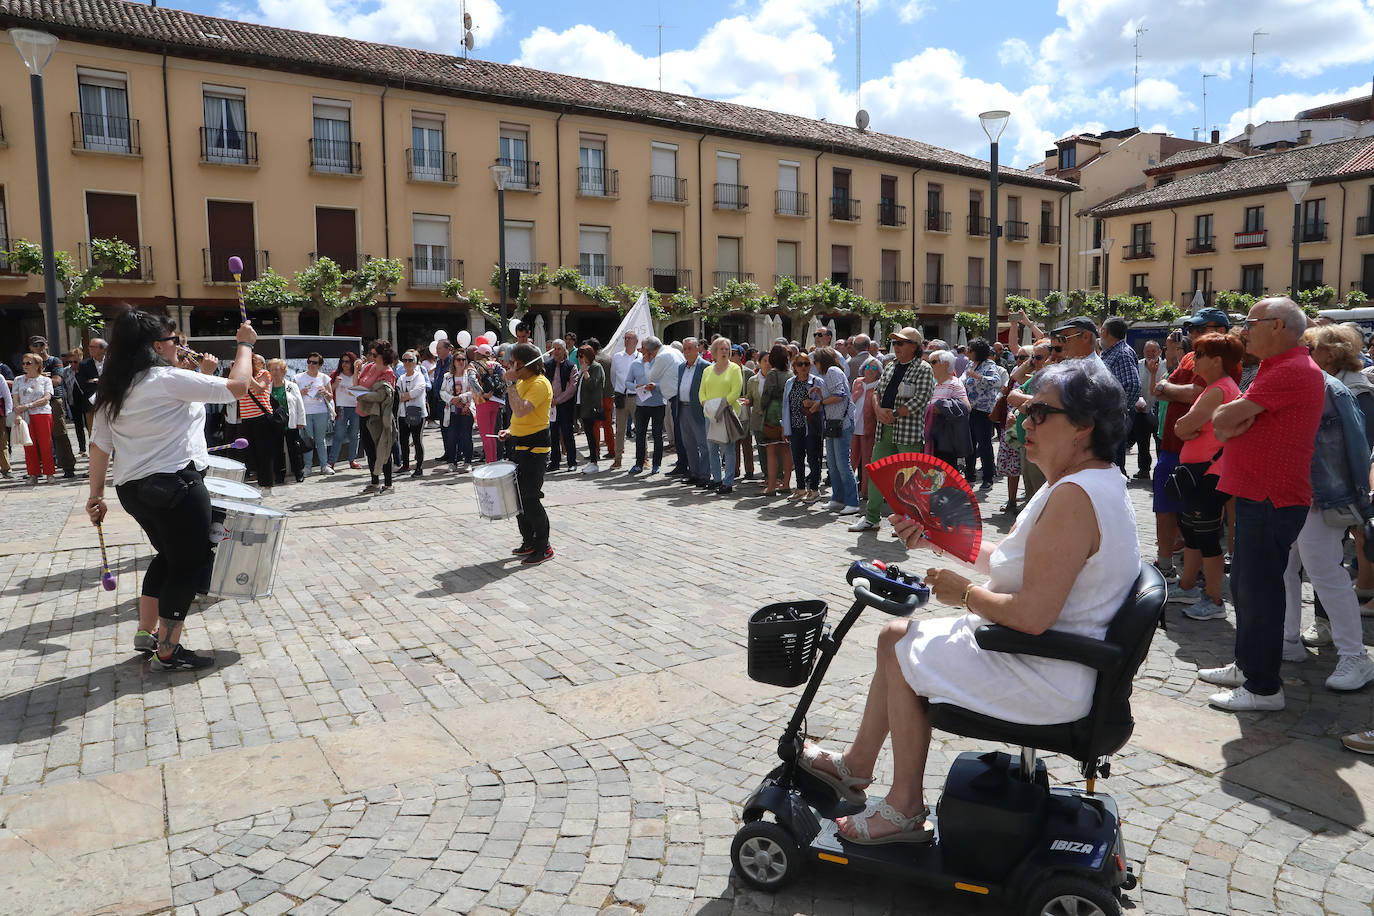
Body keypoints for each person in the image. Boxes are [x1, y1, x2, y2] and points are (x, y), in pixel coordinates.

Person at [800, 360, 1136, 842]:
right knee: (893, 636)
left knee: (898, 641)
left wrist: (965, 595)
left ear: (1083, 427)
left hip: (1048, 671)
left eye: (1039, 412)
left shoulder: (1074, 497)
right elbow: (1015, 564)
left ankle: (904, 809)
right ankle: (856, 766)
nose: (1023, 422)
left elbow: (1031, 615)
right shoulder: (1087, 482)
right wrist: (933, 539)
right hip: (1053, 656)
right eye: (1025, 409)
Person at [87, 311, 258, 670]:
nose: (179, 346)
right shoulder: (165, 379)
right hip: (176, 486)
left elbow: (100, 445)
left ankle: (147, 633)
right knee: (188, 565)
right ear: (156, 346)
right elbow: (239, 388)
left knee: (168, 557)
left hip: (134, 490)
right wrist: (243, 344)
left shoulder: (116, 386)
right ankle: (168, 650)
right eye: (174, 340)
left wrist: (96, 495)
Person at [1199, 298, 1325, 712]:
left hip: (1270, 495)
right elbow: (1228, 421)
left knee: (1259, 590)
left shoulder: (1290, 368)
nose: (1244, 330)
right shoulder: (1278, 367)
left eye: (1250, 322)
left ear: (1277, 325)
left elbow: (1221, 420)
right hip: (1259, 493)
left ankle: (1264, 686)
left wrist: (1232, 421)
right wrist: (1234, 421)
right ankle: (1248, 666)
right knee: (1248, 588)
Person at [1280, 327, 1374, 691]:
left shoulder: (1338, 389)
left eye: (1309, 348)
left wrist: (1358, 503)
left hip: (1322, 496)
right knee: (1289, 567)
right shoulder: (1321, 385)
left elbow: (1357, 448)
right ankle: (1289, 639)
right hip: (1300, 493)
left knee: (1324, 572)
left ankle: (1355, 655)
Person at [1152, 309, 1233, 582]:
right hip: (1177, 451)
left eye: (1199, 329)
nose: (1193, 335)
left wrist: (1169, 389)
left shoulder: (1223, 372)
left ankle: (1207, 591)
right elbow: (1159, 389)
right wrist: (1169, 386)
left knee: (1204, 529)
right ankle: (1183, 578)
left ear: (1220, 330)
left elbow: (1191, 396)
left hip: (1205, 463)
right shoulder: (1190, 358)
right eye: (1192, 330)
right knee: (1181, 519)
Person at [1170, 332, 1243, 621]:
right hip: (1202, 472)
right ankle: (1188, 586)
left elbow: (1182, 427)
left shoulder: (1218, 390)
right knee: (1192, 532)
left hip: (1209, 473)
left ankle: (1214, 600)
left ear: (1216, 361)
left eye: (1199, 355)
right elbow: (1186, 427)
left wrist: (1189, 427)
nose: (1193, 359)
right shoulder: (1217, 387)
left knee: (1207, 536)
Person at [850, 328, 935, 533]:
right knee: (877, 473)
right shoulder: (890, 366)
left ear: (914, 346)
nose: (896, 347)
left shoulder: (923, 368)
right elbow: (877, 392)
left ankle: (913, 522)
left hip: (907, 431)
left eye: (901, 343)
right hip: (884, 429)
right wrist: (879, 410)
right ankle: (872, 518)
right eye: (895, 343)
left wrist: (894, 414)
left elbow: (922, 398)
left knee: (909, 480)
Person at [502, 342, 555, 564]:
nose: (511, 366)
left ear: (527, 365)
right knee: (517, 499)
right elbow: (518, 416)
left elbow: (522, 409)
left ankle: (544, 547)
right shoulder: (523, 381)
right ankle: (529, 541)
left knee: (530, 498)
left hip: (536, 448)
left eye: (515, 364)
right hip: (519, 444)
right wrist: (510, 430)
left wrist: (511, 382)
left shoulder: (540, 383)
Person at [814, 346, 860, 514]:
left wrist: (820, 402)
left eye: (815, 362)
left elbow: (839, 395)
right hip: (833, 423)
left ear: (821, 361)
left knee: (842, 464)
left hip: (842, 423)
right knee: (833, 464)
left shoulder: (832, 371)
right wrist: (820, 394)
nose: (814, 366)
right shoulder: (830, 373)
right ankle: (838, 499)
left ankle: (852, 502)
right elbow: (834, 396)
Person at [700, 337, 744, 494]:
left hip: (726, 413)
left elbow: (735, 391)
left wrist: (721, 405)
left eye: (727, 349)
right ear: (714, 351)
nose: (725, 351)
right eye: (721, 349)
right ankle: (717, 478)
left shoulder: (734, 369)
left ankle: (728, 482)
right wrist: (707, 404)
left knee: (728, 448)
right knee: (712, 447)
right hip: (710, 415)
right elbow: (702, 392)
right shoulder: (707, 370)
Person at [1098, 317, 1142, 470]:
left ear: (1105, 331)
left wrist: (1116, 410)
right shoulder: (1110, 353)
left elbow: (1133, 385)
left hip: (1112, 420)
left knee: (1113, 466)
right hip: (1106, 419)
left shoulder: (1122, 353)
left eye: (1101, 330)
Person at [355, 341, 398, 494]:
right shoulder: (368, 367)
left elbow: (381, 396)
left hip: (378, 416)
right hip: (363, 412)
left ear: (383, 355)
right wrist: (356, 370)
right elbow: (357, 384)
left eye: (374, 354)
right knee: (369, 450)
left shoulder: (387, 372)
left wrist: (359, 394)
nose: (371, 357)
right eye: (371, 354)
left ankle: (388, 484)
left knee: (382, 448)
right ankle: (374, 482)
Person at [783, 352, 824, 502]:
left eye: (807, 363)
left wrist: (813, 404)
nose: (804, 367)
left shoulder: (817, 381)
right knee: (797, 458)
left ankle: (814, 489)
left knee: (813, 457)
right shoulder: (790, 383)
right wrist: (785, 427)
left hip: (811, 426)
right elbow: (785, 406)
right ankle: (800, 488)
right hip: (795, 425)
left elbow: (824, 403)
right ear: (794, 366)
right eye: (800, 364)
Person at [994, 347, 1031, 514]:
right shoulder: (1015, 375)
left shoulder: (1040, 376)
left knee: (1031, 467)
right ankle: (1012, 500)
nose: (1019, 361)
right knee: (1012, 466)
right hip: (1011, 427)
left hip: (1030, 427)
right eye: (1017, 357)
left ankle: (1030, 499)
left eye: (1024, 357)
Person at [237, 353, 278, 495]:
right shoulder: (242, 377)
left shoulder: (264, 373)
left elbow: (260, 388)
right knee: (251, 452)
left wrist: (247, 375)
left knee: (264, 452)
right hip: (246, 418)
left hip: (261, 417)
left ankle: (267, 485)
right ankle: (259, 480)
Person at [14, 354, 56, 482]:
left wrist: (28, 405)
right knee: (28, 444)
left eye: (29, 363)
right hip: (26, 416)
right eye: (24, 363)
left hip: (42, 414)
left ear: (38, 365)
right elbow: (15, 398)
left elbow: (46, 398)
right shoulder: (18, 380)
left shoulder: (45, 380)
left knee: (45, 444)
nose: (25, 366)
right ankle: (33, 474)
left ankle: (49, 473)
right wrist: (17, 413)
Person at [926, 349, 971, 470]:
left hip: (946, 439)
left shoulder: (955, 383)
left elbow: (966, 406)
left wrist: (940, 407)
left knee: (946, 473)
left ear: (945, 364)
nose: (930, 365)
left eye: (933, 362)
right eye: (928, 362)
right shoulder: (934, 385)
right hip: (933, 436)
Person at [676, 338, 711, 484]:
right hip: (682, 408)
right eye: (684, 349)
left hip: (698, 409)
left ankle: (704, 475)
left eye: (690, 348)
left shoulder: (706, 367)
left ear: (698, 349)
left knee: (703, 444)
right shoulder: (681, 367)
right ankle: (694, 473)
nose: (686, 352)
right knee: (688, 444)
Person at [267, 358, 307, 484]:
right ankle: (279, 475)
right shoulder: (267, 387)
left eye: (277, 369)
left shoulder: (292, 386)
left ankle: (299, 473)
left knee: (294, 449)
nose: (274, 372)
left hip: (291, 422)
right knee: (277, 450)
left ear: (283, 371)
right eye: (272, 369)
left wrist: (301, 421)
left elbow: (299, 405)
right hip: (275, 424)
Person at [295, 352, 335, 476]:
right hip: (305, 412)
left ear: (320, 365)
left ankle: (324, 466)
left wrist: (325, 393)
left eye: (315, 362)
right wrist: (301, 392)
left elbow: (330, 397)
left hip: (320, 411)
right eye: (309, 362)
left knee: (320, 440)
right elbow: (293, 396)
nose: (311, 365)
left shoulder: (324, 378)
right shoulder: (298, 377)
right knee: (307, 440)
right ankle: (307, 467)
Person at [544, 341, 580, 472]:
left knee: (567, 434)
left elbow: (572, 387)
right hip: (550, 406)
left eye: (559, 349)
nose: (556, 351)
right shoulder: (547, 365)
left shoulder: (571, 366)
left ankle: (572, 461)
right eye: (554, 349)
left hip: (565, 405)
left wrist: (558, 400)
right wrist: (549, 399)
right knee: (552, 434)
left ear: (564, 350)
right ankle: (554, 462)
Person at [1133, 340, 1166, 480]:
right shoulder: (1138, 365)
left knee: (1159, 443)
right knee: (1142, 442)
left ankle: (1160, 471)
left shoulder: (1165, 365)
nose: (1150, 354)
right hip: (1142, 410)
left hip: (1159, 410)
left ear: (1159, 352)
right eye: (1147, 351)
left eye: (1153, 351)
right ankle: (1144, 470)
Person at [850, 358, 882, 500]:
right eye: (868, 366)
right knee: (851, 461)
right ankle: (848, 490)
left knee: (867, 462)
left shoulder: (879, 385)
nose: (870, 369)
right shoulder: (857, 382)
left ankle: (866, 491)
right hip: (853, 427)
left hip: (869, 428)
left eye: (874, 368)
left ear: (878, 372)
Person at [469, 344, 505, 464]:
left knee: (486, 435)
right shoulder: (495, 364)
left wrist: (482, 393)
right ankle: (493, 460)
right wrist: (501, 393)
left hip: (482, 401)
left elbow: (472, 379)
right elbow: (505, 377)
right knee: (492, 434)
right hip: (495, 401)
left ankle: (489, 462)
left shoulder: (474, 364)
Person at [395, 349, 429, 477]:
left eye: (410, 360)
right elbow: (398, 395)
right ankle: (405, 465)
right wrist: (405, 396)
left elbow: (416, 392)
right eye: (405, 360)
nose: (408, 363)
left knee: (417, 440)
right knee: (403, 441)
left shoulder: (419, 376)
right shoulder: (401, 378)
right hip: (402, 413)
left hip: (416, 413)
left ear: (415, 362)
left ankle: (419, 467)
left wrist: (404, 396)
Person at [610, 331, 640, 470]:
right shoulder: (617, 357)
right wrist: (619, 390)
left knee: (640, 429)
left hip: (636, 397)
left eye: (630, 338)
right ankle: (618, 459)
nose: (627, 340)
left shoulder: (640, 357)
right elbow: (613, 377)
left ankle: (643, 458)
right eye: (625, 338)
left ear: (636, 341)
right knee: (620, 430)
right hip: (621, 396)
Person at [440, 348, 474, 471]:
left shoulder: (469, 375)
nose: (461, 362)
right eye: (458, 359)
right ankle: (452, 462)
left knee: (466, 436)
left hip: (466, 409)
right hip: (452, 410)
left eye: (463, 359)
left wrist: (460, 398)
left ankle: (468, 462)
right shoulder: (447, 377)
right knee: (452, 436)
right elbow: (442, 392)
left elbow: (473, 391)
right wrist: (451, 399)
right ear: (453, 362)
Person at [329, 351, 362, 471]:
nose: (344, 364)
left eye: (347, 361)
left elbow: (362, 390)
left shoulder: (358, 375)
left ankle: (352, 459)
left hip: (356, 408)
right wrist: (335, 384)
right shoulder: (335, 374)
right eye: (342, 361)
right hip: (341, 407)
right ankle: (331, 461)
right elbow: (329, 391)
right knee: (339, 435)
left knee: (354, 435)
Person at [576, 344, 606, 470]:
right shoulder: (584, 368)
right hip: (582, 406)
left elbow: (593, 385)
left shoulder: (595, 367)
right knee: (588, 434)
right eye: (578, 356)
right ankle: (593, 459)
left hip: (590, 407)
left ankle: (594, 461)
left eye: (581, 356)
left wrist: (585, 372)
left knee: (591, 434)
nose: (579, 358)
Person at [75, 338, 106, 433]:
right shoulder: (84, 364)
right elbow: (83, 383)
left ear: (103, 349)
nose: (90, 349)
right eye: (89, 347)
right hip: (91, 404)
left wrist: (95, 381)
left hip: (111, 401)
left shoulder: (113, 362)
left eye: (94, 347)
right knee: (93, 432)